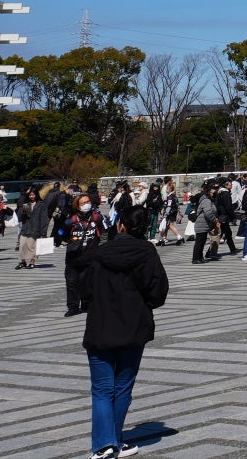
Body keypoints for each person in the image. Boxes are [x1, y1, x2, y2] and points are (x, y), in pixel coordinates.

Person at [81, 205, 169, 459]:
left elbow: (85, 290)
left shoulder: (99, 253)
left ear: (121, 225)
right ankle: (114, 440)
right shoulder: (147, 252)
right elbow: (158, 291)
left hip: (101, 326)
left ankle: (106, 444)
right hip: (134, 326)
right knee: (122, 387)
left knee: (102, 388)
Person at [62, 193, 105, 316]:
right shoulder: (71, 221)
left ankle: (86, 304)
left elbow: (104, 232)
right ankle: (73, 307)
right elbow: (61, 234)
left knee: (87, 283)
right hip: (73, 257)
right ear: (77, 206)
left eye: (88, 202)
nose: (87, 205)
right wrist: (72, 241)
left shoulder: (97, 218)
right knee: (72, 283)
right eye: (83, 203)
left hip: (90, 256)